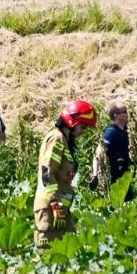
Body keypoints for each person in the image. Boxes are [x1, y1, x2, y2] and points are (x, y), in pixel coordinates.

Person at [35, 99, 97, 248]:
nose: (83, 132)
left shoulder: (64, 140)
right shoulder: (56, 138)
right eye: (82, 126)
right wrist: (55, 202)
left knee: (71, 249)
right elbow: (47, 172)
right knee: (49, 253)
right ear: (72, 122)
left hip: (60, 208)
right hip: (50, 206)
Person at [90, 101, 134, 198]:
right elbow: (99, 153)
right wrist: (95, 176)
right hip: (115, 180)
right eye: (125, 111)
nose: (128, 114)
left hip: (125, 179)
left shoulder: (127, 131)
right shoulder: (111, 132)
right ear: (116, 115)